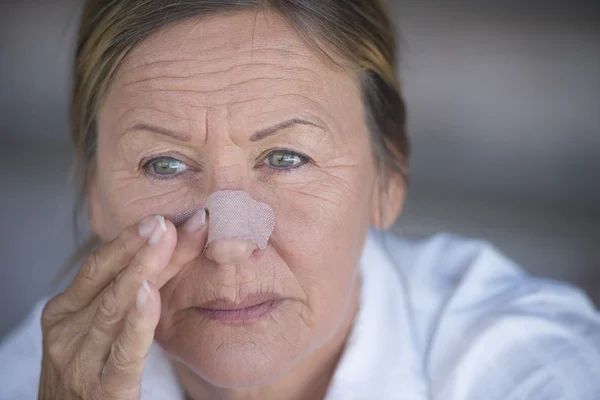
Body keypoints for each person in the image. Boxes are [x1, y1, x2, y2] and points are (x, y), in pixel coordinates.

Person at [1, 1, 599, 399]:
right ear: (95, 194)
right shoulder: (31, 376)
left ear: (388, 180)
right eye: (164, 165)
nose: (230, 244)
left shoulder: (529, 368)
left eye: (286, 158)